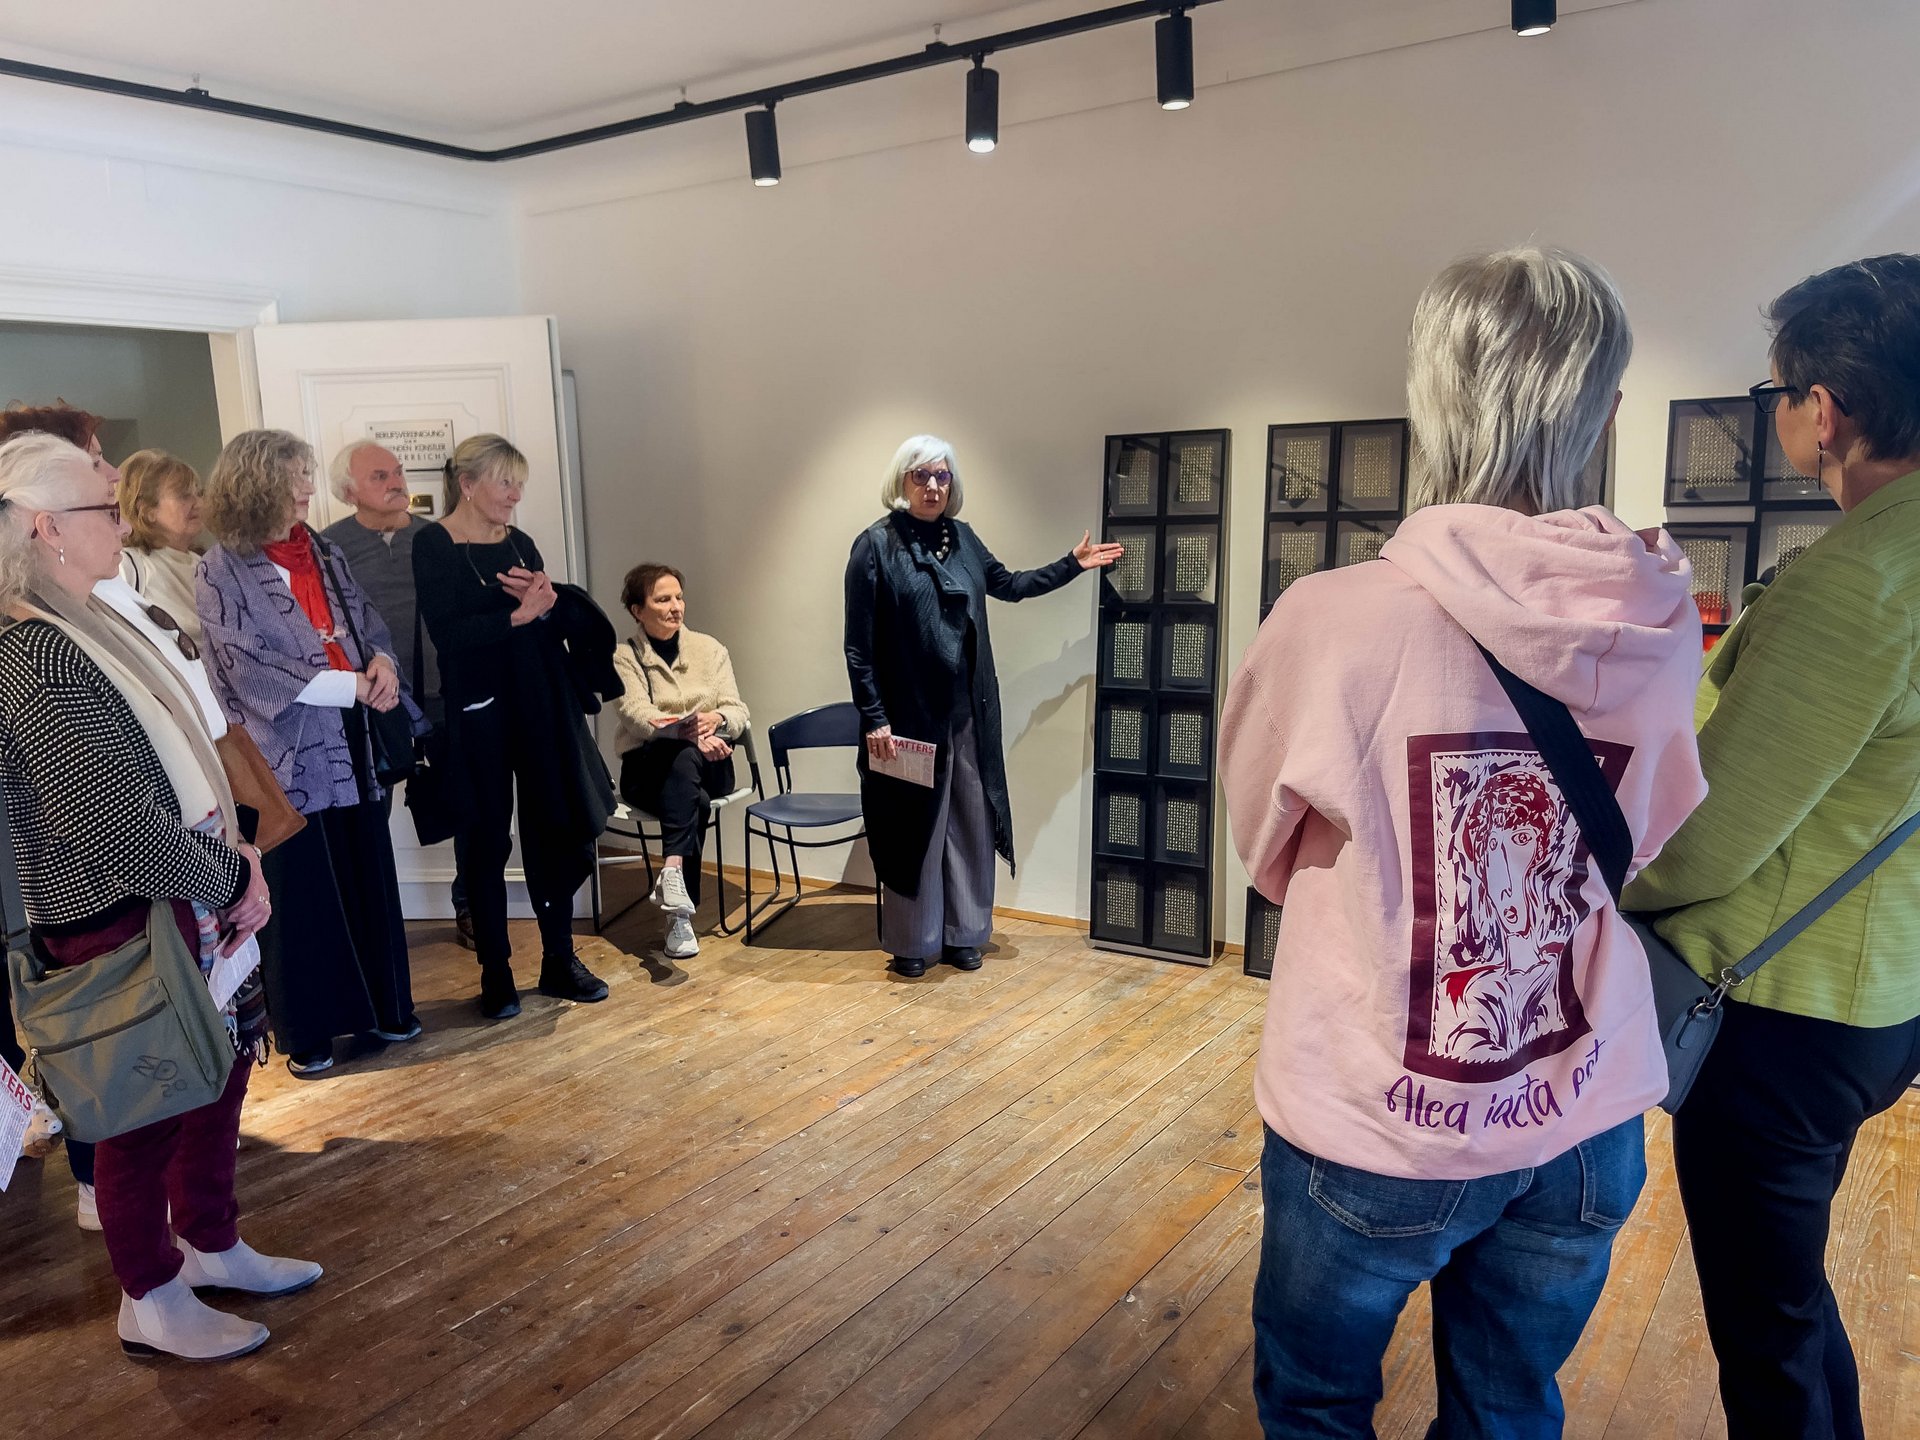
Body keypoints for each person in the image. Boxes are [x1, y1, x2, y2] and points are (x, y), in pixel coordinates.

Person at [1218, 247, 1708, 1438]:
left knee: (1317, 1404)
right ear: (1606, 407)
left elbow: (1260, 848)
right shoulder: (1657, 621)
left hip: (1381, 1116)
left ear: (1430, 393)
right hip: (1585, 1117)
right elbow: (1647, 837)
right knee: (1507, 1407)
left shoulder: (1333, 619)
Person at [1624, 254, 1920, 1440]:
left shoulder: (1855, 584)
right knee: (1788, 1302)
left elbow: (1709, 837)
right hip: (1883, 986)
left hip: (1781, 1014)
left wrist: (1600, 894)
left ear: (1825, 410)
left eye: (1780, 393)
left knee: (1766, 1321)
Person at [0, 430, 320, 1362]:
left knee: (216, 1075)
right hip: (114, 916)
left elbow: (181, 759)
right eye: (103, 510)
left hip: (183, 895)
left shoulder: (87, 618)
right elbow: (113, 829)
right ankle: (150, 1295)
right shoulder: (37, 653)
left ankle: (212, 1242)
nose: (121, 522)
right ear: (47, 528)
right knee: (142, 1114)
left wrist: (235, 861)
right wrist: (231, 876)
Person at [844, 435, 1122, 978]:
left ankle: (963, 934)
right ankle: (912, 942)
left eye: (942, 476)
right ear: (901, 481)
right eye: (921, 476)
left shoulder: (964, 539)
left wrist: (1072, 564)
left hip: (967, 714)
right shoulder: (875, 546)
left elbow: (1011, 585)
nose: (933, 486)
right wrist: (874, 717)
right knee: (915, 831)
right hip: (906, 720)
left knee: (970, 824)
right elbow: (859, 646)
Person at [196, 429, 423, 1077]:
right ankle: (312, 1031)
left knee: (366, 877)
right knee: (301, 898)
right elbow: (243, 667)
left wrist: (381, 664)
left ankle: (384, 1008)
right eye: (296, 475)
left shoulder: (321, 548)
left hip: (352, 744)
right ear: (257, 483)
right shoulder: (219, 568)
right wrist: (349, 685)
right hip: (284, 759)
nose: (307, 487)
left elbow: (366, 622)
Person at [413, 433, 612, 1018]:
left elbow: (543, 624)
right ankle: (495, 972)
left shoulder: (520, 542)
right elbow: (447, 636)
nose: (515, 495)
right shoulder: (433, 543)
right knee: (485, 840)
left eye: (519, 484)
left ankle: (558, 959)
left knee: (552, 827)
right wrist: (519, 617)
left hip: (538, 706)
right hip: (478, 714)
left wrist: (548, 609)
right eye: (506, 482)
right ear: (468, 484)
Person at [318, 439, 471, 943]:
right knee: (368, 813)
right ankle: (374, 918)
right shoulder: (328, 548)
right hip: (374, 703)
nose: (396, 482)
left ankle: (471, 904)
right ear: (348, 491)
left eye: (398, 472)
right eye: (379, 476)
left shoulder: (439, 538)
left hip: (447, 693)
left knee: (468, 804)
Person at [612, 562, 750, 960]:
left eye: (679, 597)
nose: (676, 607)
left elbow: (737, 709)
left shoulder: (710, 649)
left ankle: (672, 874)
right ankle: (678, 915)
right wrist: (686, 733)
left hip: (713, 764)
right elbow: (636, 715)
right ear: (638, 610)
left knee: (688, 759)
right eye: (662, 599)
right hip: (647, 770)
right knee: (694, 795)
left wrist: (716, 720)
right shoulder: (624, 656)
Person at [116, 449, 208, 646]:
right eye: (184, 495)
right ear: (146, 511)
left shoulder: (207, 565)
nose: (198, 503)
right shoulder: (128, 567)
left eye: (199, 493)